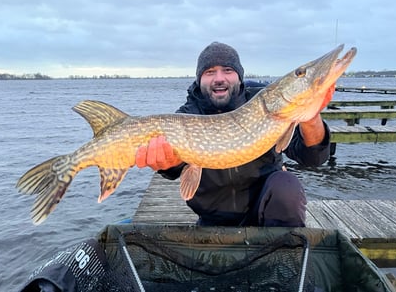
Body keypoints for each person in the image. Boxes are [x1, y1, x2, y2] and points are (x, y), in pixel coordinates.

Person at [135, 42, 334, 227]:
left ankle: (280, 250)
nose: (219, 78)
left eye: (228, 70)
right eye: (210, 72)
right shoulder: (187, 115)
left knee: (287, 185)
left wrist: (311, 116)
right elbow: (173, 170)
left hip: (265, 212)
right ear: (199, 79)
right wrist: (166, 164)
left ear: (239, 76)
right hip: (211, 220)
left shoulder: (266, 105)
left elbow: (313, 157)